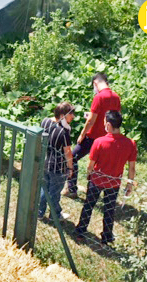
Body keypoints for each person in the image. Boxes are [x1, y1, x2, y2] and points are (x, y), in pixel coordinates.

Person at [74, 111, 137, 245]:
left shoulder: (99, 142)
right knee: (109, 210)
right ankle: (107, 236)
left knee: (88, 206)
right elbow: (131, 168)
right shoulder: (130, 144)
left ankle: (81, 231)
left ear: (108, 125)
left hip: (97, 180)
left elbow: (91, 165)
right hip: (114, 183)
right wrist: (129, 185)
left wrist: (89, 175)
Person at [66, 73, 120, 198]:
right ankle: (93, 190)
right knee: (98, 165)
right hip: (106, 138)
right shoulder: (116, 97)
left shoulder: (99, 97)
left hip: (92, 137)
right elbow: (115, 117)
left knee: (72, 157)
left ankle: (72, 189)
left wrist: (82, 134)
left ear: (95, 83)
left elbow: (91, 120)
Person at [38, 102, 75, 221]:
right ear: (63, 115)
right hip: (58, 167)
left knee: (44, 188)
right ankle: (55, 215)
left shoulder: (45, 122)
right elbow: (67, 152)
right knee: (55, 192)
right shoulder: (63, 132)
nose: (73, 117)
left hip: (44, 162)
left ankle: (39, 212)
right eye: (71, 114)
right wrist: (70, 168)